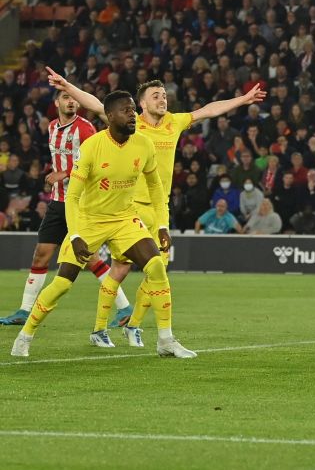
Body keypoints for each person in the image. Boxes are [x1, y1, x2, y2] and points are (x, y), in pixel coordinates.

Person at [47, 70, 266, 347]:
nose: (162, 99)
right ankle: (99, 328)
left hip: (159, 209)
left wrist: (243, 99)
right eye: (155, 96)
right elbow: (94, 103)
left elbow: (208, 111)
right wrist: (68, 85)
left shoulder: (174, 122)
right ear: (142, 104)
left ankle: (134, 325)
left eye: (163, 95)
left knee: (157, 272)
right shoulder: (132, 124)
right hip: (130, 209)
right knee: (121, 269)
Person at [11, 91, 195, 358]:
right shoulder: (92, 147)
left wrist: (163, 225)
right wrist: (74, 234)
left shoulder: (143, 145)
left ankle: (165, 340)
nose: (132, 115)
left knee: (156, 267)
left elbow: (156, 187)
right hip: (89, 220)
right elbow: (72, 195)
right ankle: (25, 335)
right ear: (110, 116)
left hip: (124, 218)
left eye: (133, 110)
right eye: (126, 111)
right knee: (63, 283)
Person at [0, 90, 132, 326]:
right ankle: (23, 310)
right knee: (41, 254)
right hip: (57, 201)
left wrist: (65, 173)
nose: (71, 101)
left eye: (73, 98)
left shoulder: (85, 128)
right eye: (65, 98)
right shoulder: (51, 127)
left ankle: (124, 307)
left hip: (80, 203)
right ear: (56, 103)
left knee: (89, 259)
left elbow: (99, 162)